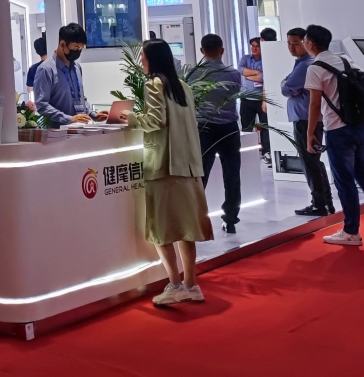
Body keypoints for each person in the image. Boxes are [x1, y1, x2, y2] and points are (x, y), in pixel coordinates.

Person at [124, 38, 212, 306]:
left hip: (163, 166)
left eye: (143, 57)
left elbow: (155, 120)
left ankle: (174, 285)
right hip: (187, 165)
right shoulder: (182, 86)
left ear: (151, 59)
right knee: (186, 229)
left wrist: (129, 118)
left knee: (160, 229)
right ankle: (191, 284)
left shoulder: (154, 84)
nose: (141, 61)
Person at [304, 24, 364, 247]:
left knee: (345, 182)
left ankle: (351, 232)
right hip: (360, 127)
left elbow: (315, 104)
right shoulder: (346, 60)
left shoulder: (315, 68)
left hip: (337, 131)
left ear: (310, 43)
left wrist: (310, 134)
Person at [281, 27, 333, 217]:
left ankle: (319, 203)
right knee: (314, 162)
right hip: (307, 119)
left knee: (310, 162)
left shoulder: (306, 65)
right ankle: (325, 202)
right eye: (289, 43)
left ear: (307, 43)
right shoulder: (304, 63)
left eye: (296, 43)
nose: (291, 47)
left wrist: (286, 84)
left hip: (306, 120)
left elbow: (286, 88)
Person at [197, 33, 244, 234]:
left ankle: (196, 217)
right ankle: (230, 218)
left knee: (200, 175)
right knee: (232, 174)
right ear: (222, 50)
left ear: (202, 51)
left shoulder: (194, 75)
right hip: (228, 128)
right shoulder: (233, 74)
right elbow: (234, 95)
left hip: (204, 128)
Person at [31, 23, 105, 127]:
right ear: (62, 44)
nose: (78, 52)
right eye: (76, 48)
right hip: (58, 132)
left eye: (80, 49)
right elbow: (42, 105)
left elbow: (80, 98)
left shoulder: (77, 68)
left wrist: (93, 114)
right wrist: (69, 119)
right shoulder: (46, 69)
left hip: (81, 130)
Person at [237, 35, 270, 164]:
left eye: (257, 46)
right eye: (253, 46)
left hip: (262, 100)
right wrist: (258, 74)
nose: (254, 49)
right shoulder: (245, 58)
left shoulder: (267, 59)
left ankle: (266, 152)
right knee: (246, 127)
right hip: (247, 99)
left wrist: (251, 74)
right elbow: (241, 70)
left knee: (265, 127)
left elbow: (265, 77)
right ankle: (247, 153)